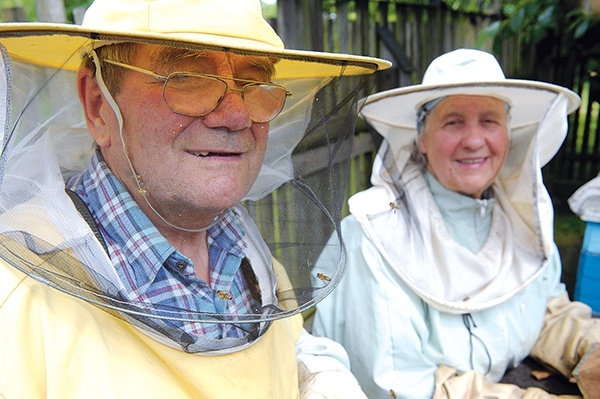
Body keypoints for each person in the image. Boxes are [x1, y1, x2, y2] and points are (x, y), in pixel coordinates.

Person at [0, 0, 391, 398]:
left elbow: (281, 355)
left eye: (255, 83)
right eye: (188, 77)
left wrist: (315, 377)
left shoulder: (249, 257)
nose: (237, 116)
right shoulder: (13, 300)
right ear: (99, 105)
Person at [312, 48, 600, 399]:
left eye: (489, 121)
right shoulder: (371, 239)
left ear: (508, 137)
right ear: (422, 139)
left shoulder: (523, 222)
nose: (475, 140)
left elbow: (545, 309)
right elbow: (398, 384)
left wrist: (590, 346)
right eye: (453, 122)